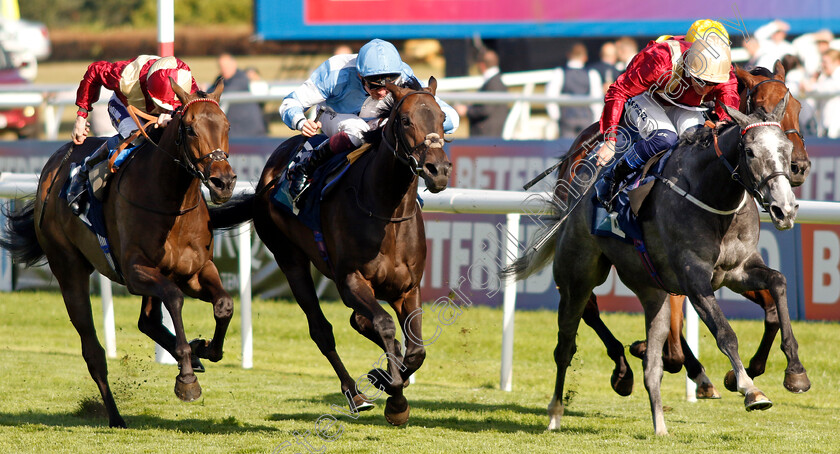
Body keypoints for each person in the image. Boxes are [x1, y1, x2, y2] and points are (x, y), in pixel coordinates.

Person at [278, 38, 459, 201]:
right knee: (357, 132)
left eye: (389, 86)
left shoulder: (403, 74)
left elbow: (450, 117)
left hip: (378, 121)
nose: (382, 92)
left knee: (397, 130)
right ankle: (308, 162)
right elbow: (290, 102)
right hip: (334, 115)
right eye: (374, 85)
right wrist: (300, 122)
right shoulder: (335, 71)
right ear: (359, 75)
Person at [592, 20, 740, 211]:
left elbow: (727, 114)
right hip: (647, 97)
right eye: (699, 80)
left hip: (685, 104)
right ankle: (614, 177)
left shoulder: (723, 71)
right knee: (665, 138)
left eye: (711, 83)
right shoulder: (660, 61)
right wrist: (610, 140)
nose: (704, 87)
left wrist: (721, 128)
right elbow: (618, 91)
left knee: (698, 141)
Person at [68, 55, 200, 214]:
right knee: (137, 138)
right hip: (125, 105)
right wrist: (81, 116)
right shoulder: (126, 77)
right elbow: (94, 71)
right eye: (161, 105)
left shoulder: (188, 84)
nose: (164, 110)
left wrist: (172, 114)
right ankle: (82, 172)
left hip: (155, 102)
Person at [546, 42, 603, 138]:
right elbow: (597, 100)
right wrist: (595, 121)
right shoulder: (592, 74)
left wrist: (556, 117)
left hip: (566, 119)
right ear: (585, 57)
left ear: (568, 55)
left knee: (566, 150)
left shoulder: (559, 73)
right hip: (587, 119)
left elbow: (550, 96)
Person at [209, 53, 267, 137]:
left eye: (227, 66)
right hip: (233, 130)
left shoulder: (241, 78)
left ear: (234, 64)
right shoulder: (220, 79)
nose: (224, 69)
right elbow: (209, 93)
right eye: (221, 67)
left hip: (250, 131)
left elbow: (223, 93)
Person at [454, 48, 508, 137]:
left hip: (487, 134)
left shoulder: (492, 84)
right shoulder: (496, 82)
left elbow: (486, 110)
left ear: (482, 65)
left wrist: (466, 111)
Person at [801, 49, 840, 138]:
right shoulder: (825, 78)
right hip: (827, 129)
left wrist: (809, 86)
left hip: (836, 129)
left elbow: (821, 89)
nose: (822, 65)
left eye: (825, 62)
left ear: (837, 62)